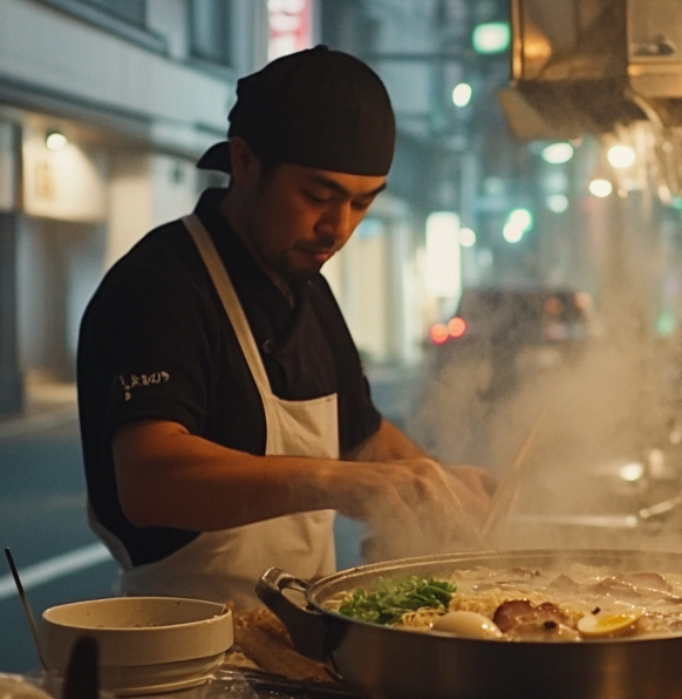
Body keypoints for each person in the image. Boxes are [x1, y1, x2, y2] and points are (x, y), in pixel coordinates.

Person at [76, 46, 493, 609]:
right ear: (244, 162)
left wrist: (438, 485)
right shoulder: (162, 284)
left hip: (296, 638)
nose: (338, 228)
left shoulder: (307, 286)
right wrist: (337, 483)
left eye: (363, 204)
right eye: (318, 197)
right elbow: (149, 480)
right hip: (180, 649)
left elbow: (361, 436)